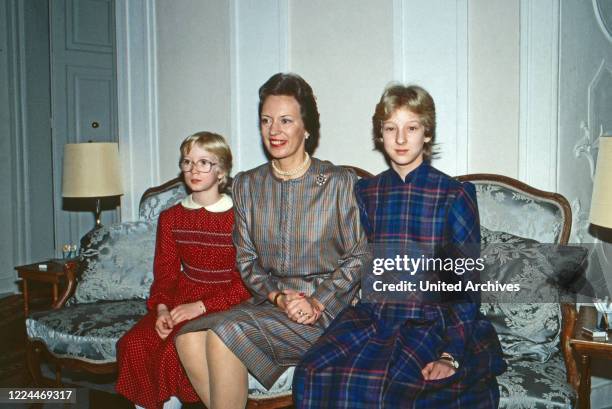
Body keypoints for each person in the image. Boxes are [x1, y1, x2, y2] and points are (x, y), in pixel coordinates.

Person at [293, 84, 507, 408]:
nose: (401, 139)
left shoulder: (454, 194)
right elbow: (355, 260)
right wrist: (318, 300)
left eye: (412, 128)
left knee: (388, 390)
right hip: (376, 316)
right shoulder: (367, 192)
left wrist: (451, 354)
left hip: (432, 320)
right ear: (380, 135)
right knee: (311, 371)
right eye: (391, 129)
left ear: (427, 134)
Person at [175, 73, 370, 409]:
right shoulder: (247, 186)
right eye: (266, 121)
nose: (274, 131)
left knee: (227, 333)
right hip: (269, 304)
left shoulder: (339, 183)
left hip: (324, 313)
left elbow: (358, 255)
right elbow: (246, 261)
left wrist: (317, 302)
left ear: (307, 128)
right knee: (188, 337)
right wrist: (278, 297)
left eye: (285, 120)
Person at [115, 132, 252, 409]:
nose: (193, 170)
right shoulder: (171, 217)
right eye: (187, 162)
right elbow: (165, 274)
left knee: (171, 351)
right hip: (181, 297)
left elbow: (247, 283)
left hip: (227, 300)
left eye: (204, 163)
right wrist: (163, 308)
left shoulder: (240, 217)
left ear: (221, 170)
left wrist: (200, 307)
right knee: (135, 343)